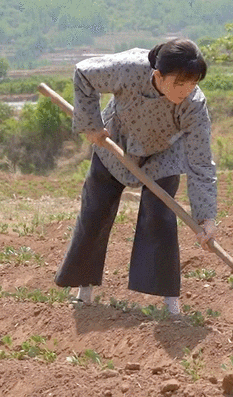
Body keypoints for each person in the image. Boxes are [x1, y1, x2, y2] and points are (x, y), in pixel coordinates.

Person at [54, 38, 217, 315]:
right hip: (115, 143)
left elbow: (201, 162)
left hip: (163, 154)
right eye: (179, 84)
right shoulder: (129, 68)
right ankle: (84, 288)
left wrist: (206, 217)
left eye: (193, 83)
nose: (186, 91)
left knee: (160, 216)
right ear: (158, 76)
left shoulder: (194, 105)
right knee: (95, 211)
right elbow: (83, 73)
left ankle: (169, 303)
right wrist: (91, 125)